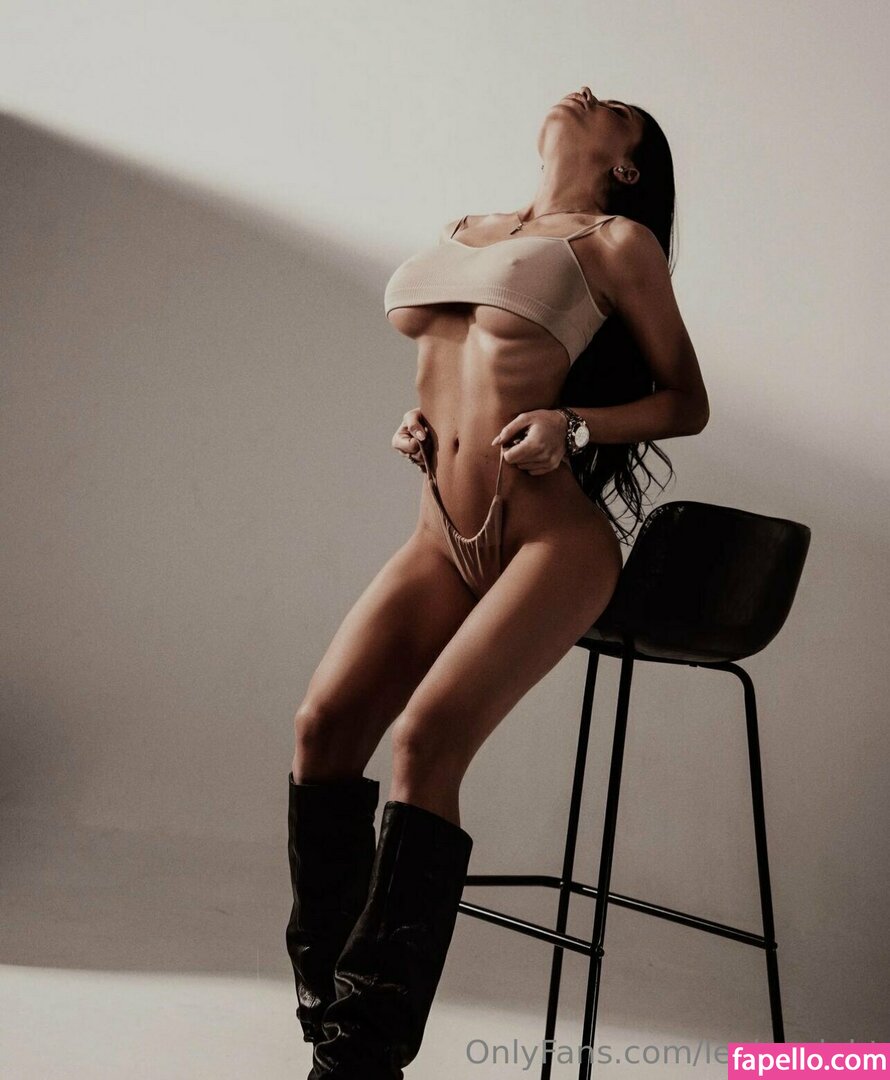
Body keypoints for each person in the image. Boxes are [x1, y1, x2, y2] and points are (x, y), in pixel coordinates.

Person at [286, 86, 709, 1079]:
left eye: (615, 107)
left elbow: (686, 400)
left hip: (550, 542)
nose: (586, 93)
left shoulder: (616, 243)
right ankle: (329, 1017)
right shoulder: (466, 229)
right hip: (440, 532)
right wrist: (420, 422)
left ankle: (357, 1064)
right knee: (322, 731)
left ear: (626, 165)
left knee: (424, 742)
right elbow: (454, 364)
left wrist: (576, 425)